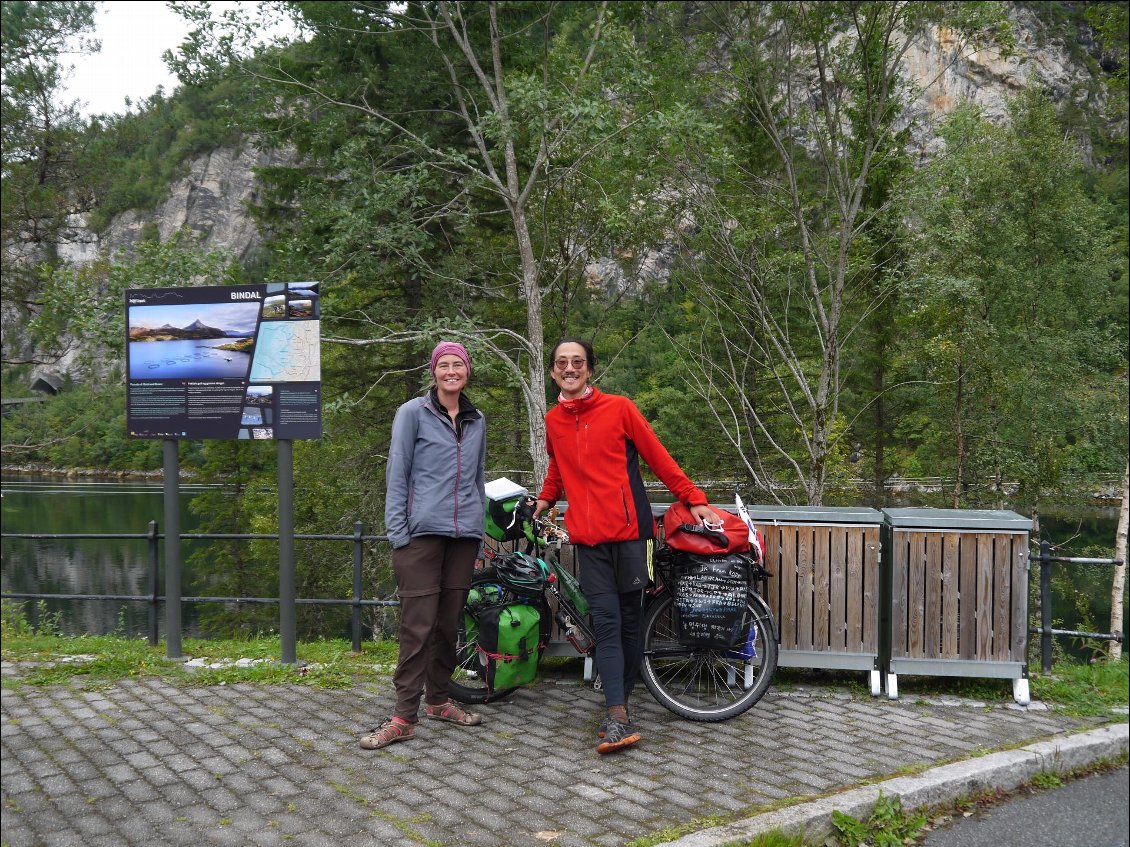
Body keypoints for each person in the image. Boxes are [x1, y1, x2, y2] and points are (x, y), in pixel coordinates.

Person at [534, 338, 719, 754]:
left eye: (577, 362)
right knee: (607, 623)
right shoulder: (553, 420)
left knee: (631, 623)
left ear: (589, 369)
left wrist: (695, 499)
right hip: (589, 539)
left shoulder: (620, 409)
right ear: (552, 372)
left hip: (634, 535)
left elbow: (659, 458)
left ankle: (621, 703)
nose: (569, 368)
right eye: (561, 363)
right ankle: (617, 713)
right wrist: (543, 500)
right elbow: (557, 469)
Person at [362, 341, 487, 750]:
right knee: (417, 626)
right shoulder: (412, 413)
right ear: (434, 372)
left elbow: (476, 478)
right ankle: (403, 715)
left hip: (463, 536)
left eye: (459, 365)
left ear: (467, 371)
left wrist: (477, 526)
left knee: (448, 625)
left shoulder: (476, 418)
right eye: (444, 365)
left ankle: (438, 701)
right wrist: (398, 533)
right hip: (419, 536)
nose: (452, 371)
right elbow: (398, 472)